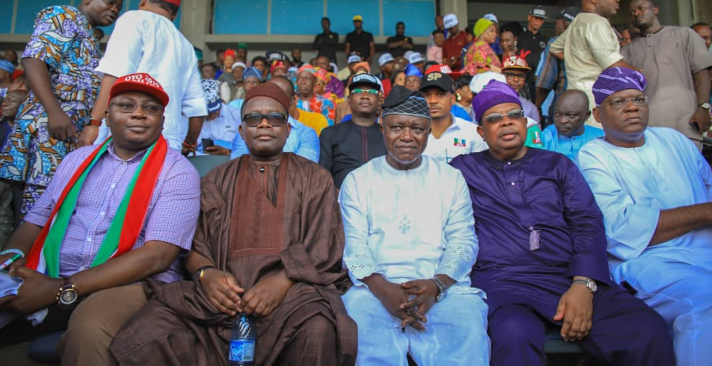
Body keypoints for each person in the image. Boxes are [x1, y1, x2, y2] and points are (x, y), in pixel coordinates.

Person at [108, 82, 357, 366]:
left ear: (288, 130)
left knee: (318, 327)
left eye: (275, 118)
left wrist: (281, 281)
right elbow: (193, 244)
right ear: (241, 131)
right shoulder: (215, 179)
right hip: (218, 298)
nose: (264, 124)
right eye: (253, 118)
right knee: (150, 330)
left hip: (293, 295)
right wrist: (207, 275)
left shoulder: (315, 177)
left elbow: (325, 244)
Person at [449, 79, 676, 366]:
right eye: (494, 119)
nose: (506, 123)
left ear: (526, 122)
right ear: (481, 131)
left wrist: (583, 285)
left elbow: (587, 222)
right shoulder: (462, 170)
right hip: (503, 283)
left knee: (646, 329)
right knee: (513, 334)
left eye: (514, 115)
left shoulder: (557, 165)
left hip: (565, 275)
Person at [0, 72, 201, 366]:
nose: (139, 114)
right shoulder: (75, 160)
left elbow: (156, 257)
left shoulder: (177, 172)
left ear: (162, 121)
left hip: (129, 285)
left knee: (90, 329)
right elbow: (35, 221)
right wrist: (10, 260)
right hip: (51, 272)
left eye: (151, 108)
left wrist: (59, 288)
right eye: (126, 106)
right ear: (107, 116)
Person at [339, 86, 490, 366]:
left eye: (417, 129)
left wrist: (437, 285)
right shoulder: (359, 180)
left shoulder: (450, 178)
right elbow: (353, 243)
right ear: (382, 127)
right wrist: (383, 289)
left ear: (428, 131)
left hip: (442, 288)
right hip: (374, 289)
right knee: (358, 320)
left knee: (466, 320)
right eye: (397, 127)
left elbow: (463, 240)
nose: (407, 137)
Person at [577, 66, 712, 366]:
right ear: (598, 115)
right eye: (618, 102)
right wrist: (704, 213)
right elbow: (622, 230)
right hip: (649, 264)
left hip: (706, 254)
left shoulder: (674, 140)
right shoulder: (593, 155)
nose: (631, 107)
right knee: (705, 303)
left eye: (638, 99)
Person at [0, 0, 121, 216]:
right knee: (38, 211)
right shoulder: (64, 15)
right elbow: (33, 60)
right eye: (110, 3)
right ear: (88, 1)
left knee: (55, 207)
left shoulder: (89, 36)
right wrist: (54, 112)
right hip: (48, 131)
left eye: (119, 8)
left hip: (67, 135)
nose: (114, 10)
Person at [77, 0, 207, 157]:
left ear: (143, 2)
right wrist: (189, 143)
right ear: (174, 15)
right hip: (167, 142)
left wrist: (94, 123)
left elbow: (114, 74)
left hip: (124, 136)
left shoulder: (134, 19)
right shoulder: (185, 45)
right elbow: (197, 109)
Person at [622, 0, 712, 148]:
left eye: (641, 9)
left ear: (655, 9)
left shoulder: (684, 35)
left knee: (689, 167)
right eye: (632, 13)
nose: (636, 13)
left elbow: (702, 74)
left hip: (686, 121)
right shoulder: (627, 51)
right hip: (648, 127)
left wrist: (703, 107)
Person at [550, 0, 637, 126]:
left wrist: (581, 60)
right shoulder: (597, 22)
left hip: (575, 96)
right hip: (596, 98)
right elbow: (612, 64)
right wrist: (639, 73)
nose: (618, 0)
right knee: (597, 140)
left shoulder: (578, 20)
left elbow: (555, 47)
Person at [319, 74, 386, 188]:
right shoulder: (330, 134)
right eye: (358, 91)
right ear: (349, 100)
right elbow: (322, 177)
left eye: (371, 92)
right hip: (340, 200)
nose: (365, 95)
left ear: (379, 101)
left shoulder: (388, 135)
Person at [232, 77, 319, 162]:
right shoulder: (247, 128)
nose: (271, 98)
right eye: (266, 93)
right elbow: (239, 167)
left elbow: (303, 171)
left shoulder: (306, 133)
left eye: (279, 96)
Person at [420, 67, 486, 164]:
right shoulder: (411, 134)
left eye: (440, 94)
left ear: (452, 99)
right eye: (426, 95)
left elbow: (481, 170)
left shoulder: (472, 132)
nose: (432, 101)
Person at [535, 6, 580, 127]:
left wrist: (536, 107)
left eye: (557, 22)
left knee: (555, 139)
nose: (555, 26)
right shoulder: (588, 43)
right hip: (587, 102)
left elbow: (545, 82)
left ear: (564, 24)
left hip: (563, 102)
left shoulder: (556, 43)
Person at [541, 89, 603, 160]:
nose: (562, 121)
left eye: (571, 115)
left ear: (586, 115)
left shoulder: (601, 137)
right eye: (557, 114)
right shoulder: (548, 136)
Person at [196, 79, 239, 156]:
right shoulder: (193, 119)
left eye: (211, 112)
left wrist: (227, 151)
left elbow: (245, 149)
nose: (208, 116)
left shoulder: (236, 115)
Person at [517, 5, 549, 100]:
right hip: (520, 81)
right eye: (536, 18)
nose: (538, 22)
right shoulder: (519, 36)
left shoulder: (545, 40)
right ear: (529, 17)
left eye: (541, 19)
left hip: (538, 83)